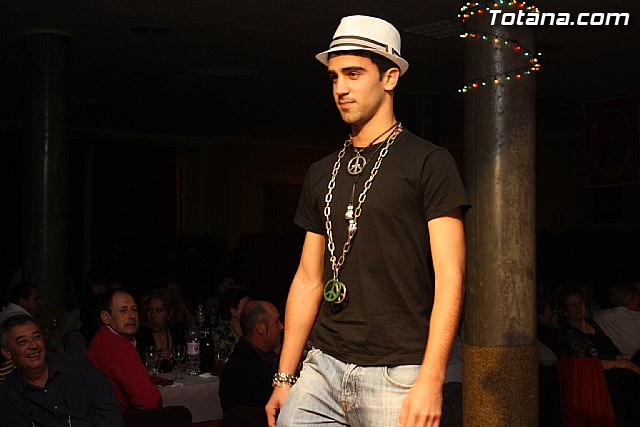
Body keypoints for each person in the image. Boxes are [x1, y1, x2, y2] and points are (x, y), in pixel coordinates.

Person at [266, 15, 469, 427]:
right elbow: (308, 278)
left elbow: (451, 277)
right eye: (334, 76)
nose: (340, 88)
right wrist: (285, 377)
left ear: (390, 77)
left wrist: (432, 379)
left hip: (398, 372)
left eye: (354, 74)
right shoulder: (321, 172)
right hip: (323, 366)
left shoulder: (430, 162)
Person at [0, 314, 123, 426]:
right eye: (22, 342)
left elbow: (109, 409)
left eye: (36, 337)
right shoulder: (7, 396)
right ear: (7, 352)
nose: (33, 345)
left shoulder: (76, 363)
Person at [554, 286, 640, 427]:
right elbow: (584, 364)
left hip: (615, 371)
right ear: (564, 310)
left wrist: (626, 363)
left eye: (580, 303)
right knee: (628, 392)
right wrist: (616, 364)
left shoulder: (592, 323)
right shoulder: (567, 332)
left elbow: (611, 348)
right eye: (572, 305)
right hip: (595, 377)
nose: (578, 307)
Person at [86, 289, 165, 411]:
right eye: (123, 310)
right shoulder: (117, 345)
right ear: (106, 317)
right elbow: (149, 400)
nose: (132, 316)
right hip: (119, 417)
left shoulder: (102, 338)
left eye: (134, 310)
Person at [219, 300, 283, 413]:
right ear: (260, 328)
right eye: (277, 322)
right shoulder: (244, 366)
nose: (282, 327)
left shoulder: (256, 356)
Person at [136, 289, 185, 373]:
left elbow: (185, 361)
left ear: (169, 314)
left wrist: (171, 358)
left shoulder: (177, 333)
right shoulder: (139, 335)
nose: (153, 315)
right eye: (149, 310)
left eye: (158, 310)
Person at [594, 281, 640, 364]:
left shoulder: (599, 316)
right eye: (637, 299)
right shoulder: (636, 317)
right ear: (630, 300)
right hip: (626, 363)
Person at [211, 288, 250, 359]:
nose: (251, 310)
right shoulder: (222, 334)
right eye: (246, 307)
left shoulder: (252, 328)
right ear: (234, 312)